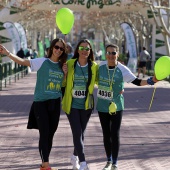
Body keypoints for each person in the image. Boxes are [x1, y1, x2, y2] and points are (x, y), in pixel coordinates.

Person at [0, 38, 68, 170]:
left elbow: (62, 85)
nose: (58, 50)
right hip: (41, 103)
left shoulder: (62, 66)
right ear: (51, 48)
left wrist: (65, 74)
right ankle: (46, 164)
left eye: (61, 48)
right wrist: (8, 53)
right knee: (44, 132)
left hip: (55, 103)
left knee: (51, 134)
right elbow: (23, 61)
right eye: (56, 47)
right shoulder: (42, 61)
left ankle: (44, 164)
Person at [96, 44, 158, 170]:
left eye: (113, 53)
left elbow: (137, 82)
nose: (111, 55)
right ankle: (108, 161)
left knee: (115, 133)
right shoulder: (100, 66)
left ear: (117, 55)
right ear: (105, 54)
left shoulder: (122, 69)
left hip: (117, 106)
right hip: (102, 105)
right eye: (108, 53)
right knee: (106, 134)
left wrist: (152, 80)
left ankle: (115, 163)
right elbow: (92, 79)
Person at [62, 39, 98, 170]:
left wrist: (118, 87)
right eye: (82, 48)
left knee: (81, 134)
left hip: (86, 105)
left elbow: (101, 81)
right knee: (77, 133)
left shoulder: (94, 66)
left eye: (87, 49)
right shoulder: (70, 63)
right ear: (77, 50)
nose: (84, 51)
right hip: (71, 105)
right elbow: (63, 84)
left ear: (90, 51)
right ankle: (83, 163)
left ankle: (74, 157)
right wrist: (64, 74)